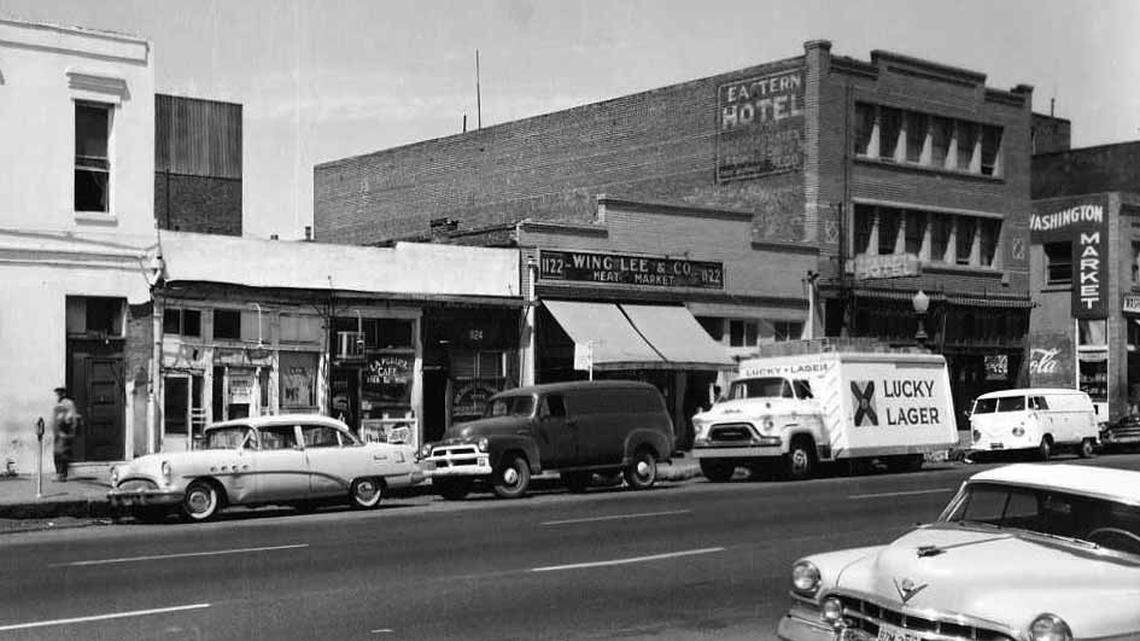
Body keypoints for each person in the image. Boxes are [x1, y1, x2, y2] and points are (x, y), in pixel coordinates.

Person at [52, 387, 80, 482]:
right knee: (57, 453)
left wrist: (66, 423)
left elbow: (71, 417)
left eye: (60, 392)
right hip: (58, 433)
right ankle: (60, 473)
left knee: (61, 453)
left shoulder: (68, 403)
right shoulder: (59, 403)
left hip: (64, 433)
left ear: (64, 393)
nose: (58, 394)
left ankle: (61, 474)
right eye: (57, 393)